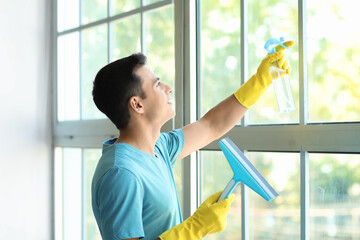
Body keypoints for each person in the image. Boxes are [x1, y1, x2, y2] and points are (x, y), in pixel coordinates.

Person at [91, 41, 294, 240]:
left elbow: (211, 125)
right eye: (157, 84)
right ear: (137, 104)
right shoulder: (121, 173)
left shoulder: (158, 148)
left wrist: (261, 80)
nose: (168, 88)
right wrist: (195, 228)